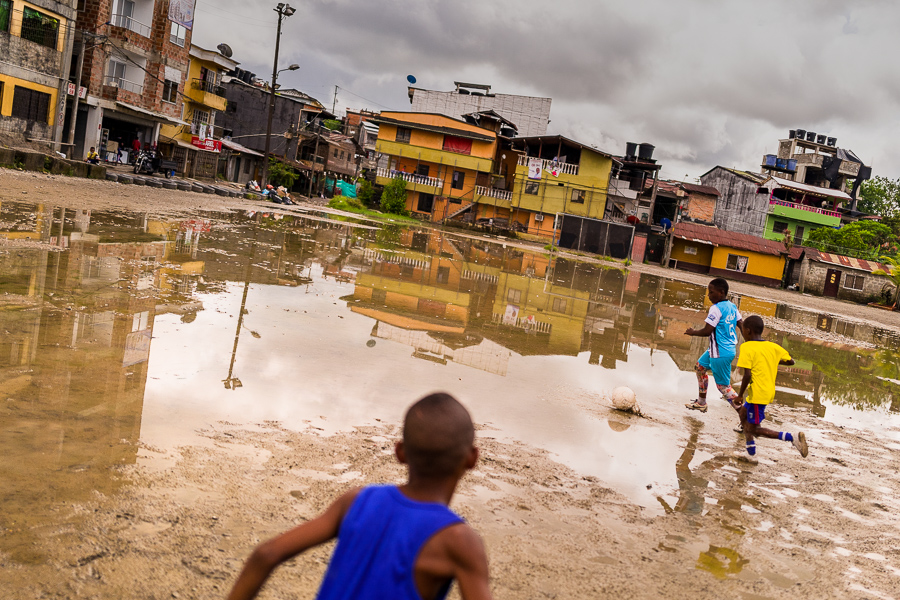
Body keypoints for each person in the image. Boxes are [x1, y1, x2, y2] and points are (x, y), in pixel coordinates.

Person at [226, 393, 492, 600]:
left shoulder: (357, 501)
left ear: (400, 452)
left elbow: (267, 553)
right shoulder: (459, 541)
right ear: (472, 458)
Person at [735, 315, 808, 463]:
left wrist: (740, 395)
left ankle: (792, 438)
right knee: (743, 414)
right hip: (765, 391)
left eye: (742, 331)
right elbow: (791, 361)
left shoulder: (746, 347)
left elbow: (747, 375)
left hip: (758, 394)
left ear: (748, 331)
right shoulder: (773, 347)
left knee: (754, 429)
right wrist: (771, 360)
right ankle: (750, 451)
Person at [684, 278, 743, 415]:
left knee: (723, 387)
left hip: (720, 353)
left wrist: (693, 332)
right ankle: (701, 402)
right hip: (723, 350)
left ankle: (746, 418)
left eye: (711, 292)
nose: (709, 296)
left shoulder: (715, 309)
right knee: (700, 367)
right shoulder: (732, 306)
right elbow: (742, 324)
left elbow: (707, 331)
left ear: (721, 293)